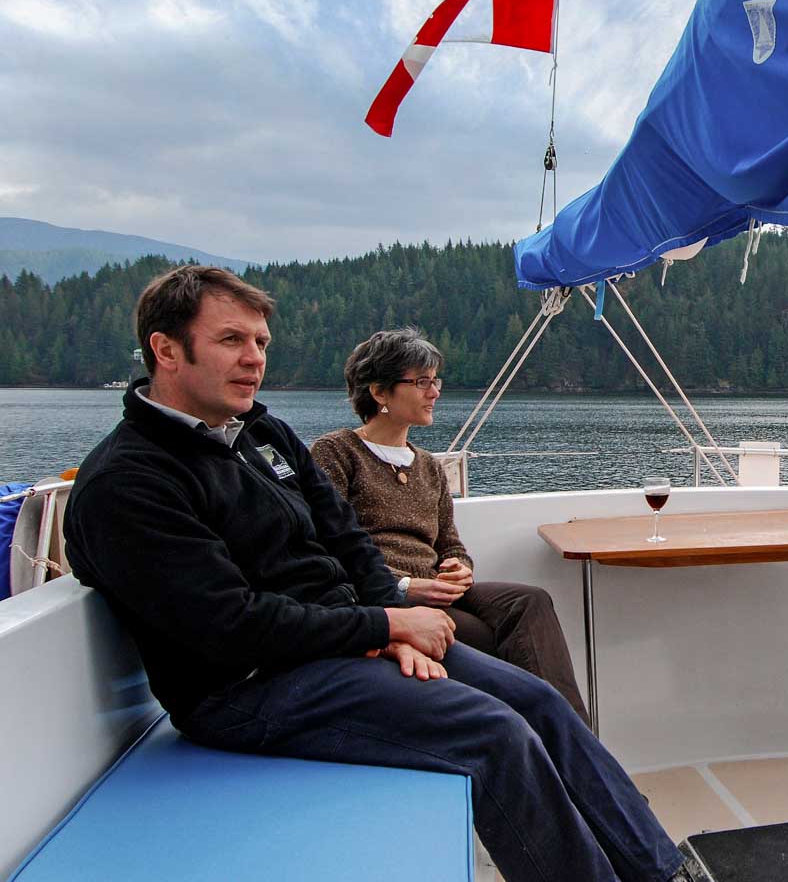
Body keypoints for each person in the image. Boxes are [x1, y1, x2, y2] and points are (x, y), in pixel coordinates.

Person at [63, 266, 697, 882]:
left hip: (339, 645)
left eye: (260, 342)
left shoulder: (260, 432)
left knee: (538, 702)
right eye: (231, 340)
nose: (254, 358)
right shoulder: (131, 480)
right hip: (247, 687)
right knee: (495, 734)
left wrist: (385, 626)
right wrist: (385, 621)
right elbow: (228, 624)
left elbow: (346, 539)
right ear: (166, 350)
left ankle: (660, 872)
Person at [310, 328, 588, 722]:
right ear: (379, 392)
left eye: (435, 380)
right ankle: (557, 745)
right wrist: (404, 585)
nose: (435, 392)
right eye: (421, 381)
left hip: (438, 588)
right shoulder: (336, 452)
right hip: (380, 595)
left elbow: (451, 545)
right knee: (484, 634)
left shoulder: (428, 465)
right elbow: (328, 544)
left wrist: (461, 568)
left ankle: (576, 736)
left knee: (529, 600)